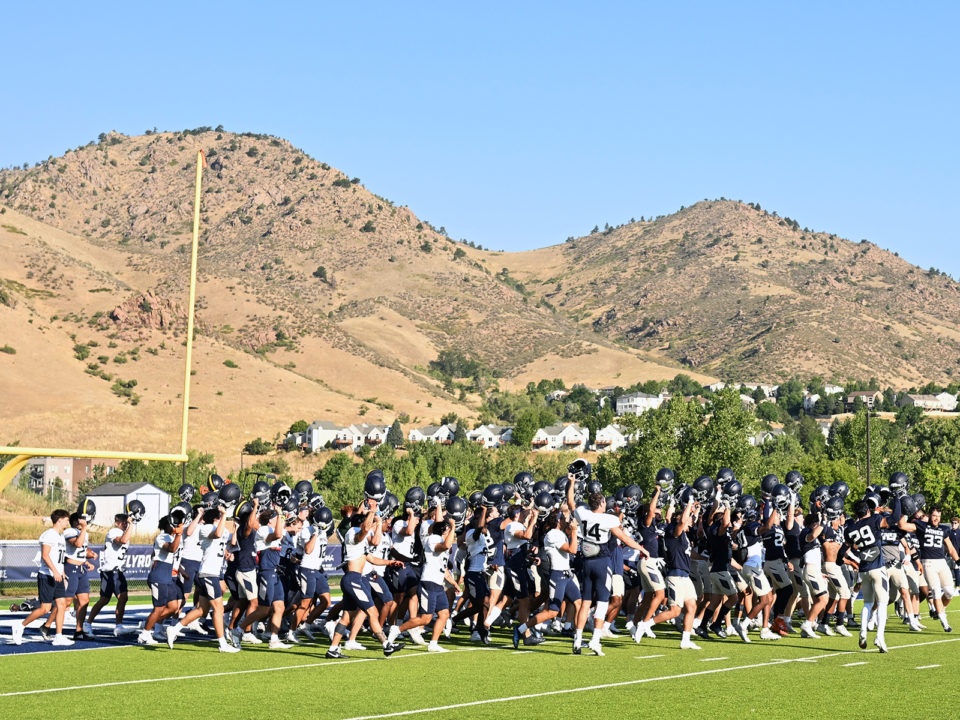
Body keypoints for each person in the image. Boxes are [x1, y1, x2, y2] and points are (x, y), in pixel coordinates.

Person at [327, 502, 405, 659]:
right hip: (353, 579)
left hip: (354, 579)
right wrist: (372, 513)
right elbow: (363, 530)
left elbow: (372, 559)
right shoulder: (353, 532)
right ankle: (386, 644)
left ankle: (333, 649)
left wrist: (390, 562)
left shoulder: (360, 540)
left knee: (347, 617)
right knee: (371, 612)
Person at [166, 505, 239, 652]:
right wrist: (224, 515)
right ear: (214, 519)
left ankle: (174, 629)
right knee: (218, 608)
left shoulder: (221, 529)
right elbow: (217, 535)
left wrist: (233, 534)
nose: (222, 519)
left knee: (201, 610)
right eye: (220, 517)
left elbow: (228, 541)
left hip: (213, 573)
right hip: (208, 573)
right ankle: (222, 643)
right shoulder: (205, 528)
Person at [844, 496, 901, 652]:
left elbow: (845, 549)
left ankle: (863, 632)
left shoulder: (851, 529)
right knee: (882, 603)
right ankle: (879, 638)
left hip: (863, 570)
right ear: (868, 510)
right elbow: (895, 518)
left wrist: (838, 561)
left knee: (867, 603)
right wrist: (897, 497)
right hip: (877, 567)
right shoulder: (875, 519)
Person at [10, 510, 72, 646]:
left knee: (62, 604)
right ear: (59, 520)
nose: (68, 523)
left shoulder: (60, 536)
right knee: (45, 608)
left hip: (57, 576)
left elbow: (58, 558)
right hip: (47, 575)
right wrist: (55, 571)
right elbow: (45, 555)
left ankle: (59, 636)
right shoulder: (50, 534)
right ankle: (20, 625)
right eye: (66, 520)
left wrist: (61, 572)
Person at [902, 506, 960, 633]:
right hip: (928, 563)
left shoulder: (944, 529)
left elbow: (950, 548)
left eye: (938, 517)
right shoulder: (922, 526)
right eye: (934, 516)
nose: (936, 519)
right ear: (930, 516)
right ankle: (944, 621)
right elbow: (903, 526)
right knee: (935, 591)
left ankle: (940, 610)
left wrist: (958, 560)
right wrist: (903, 513)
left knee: (950, 592)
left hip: (942, 562)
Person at [139, 513, 185, 645]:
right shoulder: (161, 537)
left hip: (167, 576)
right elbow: (172, 549)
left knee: (173, 607)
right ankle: (145, 634)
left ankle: (150, 623)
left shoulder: (171, 537)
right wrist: (179, 534)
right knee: (158, 608)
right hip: (158, 576)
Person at [86, 513, 134, 636]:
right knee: (104, 599)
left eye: (126, 522)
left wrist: (130, 525)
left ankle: (118, 626)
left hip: (118, 571)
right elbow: (122, 541)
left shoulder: (124, 533)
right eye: (123, 522)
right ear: (116, 523)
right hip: (110, 571)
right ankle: (88, 624)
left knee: (123, 597)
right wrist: (131, 525)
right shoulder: (113, 532)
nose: (125, 524)